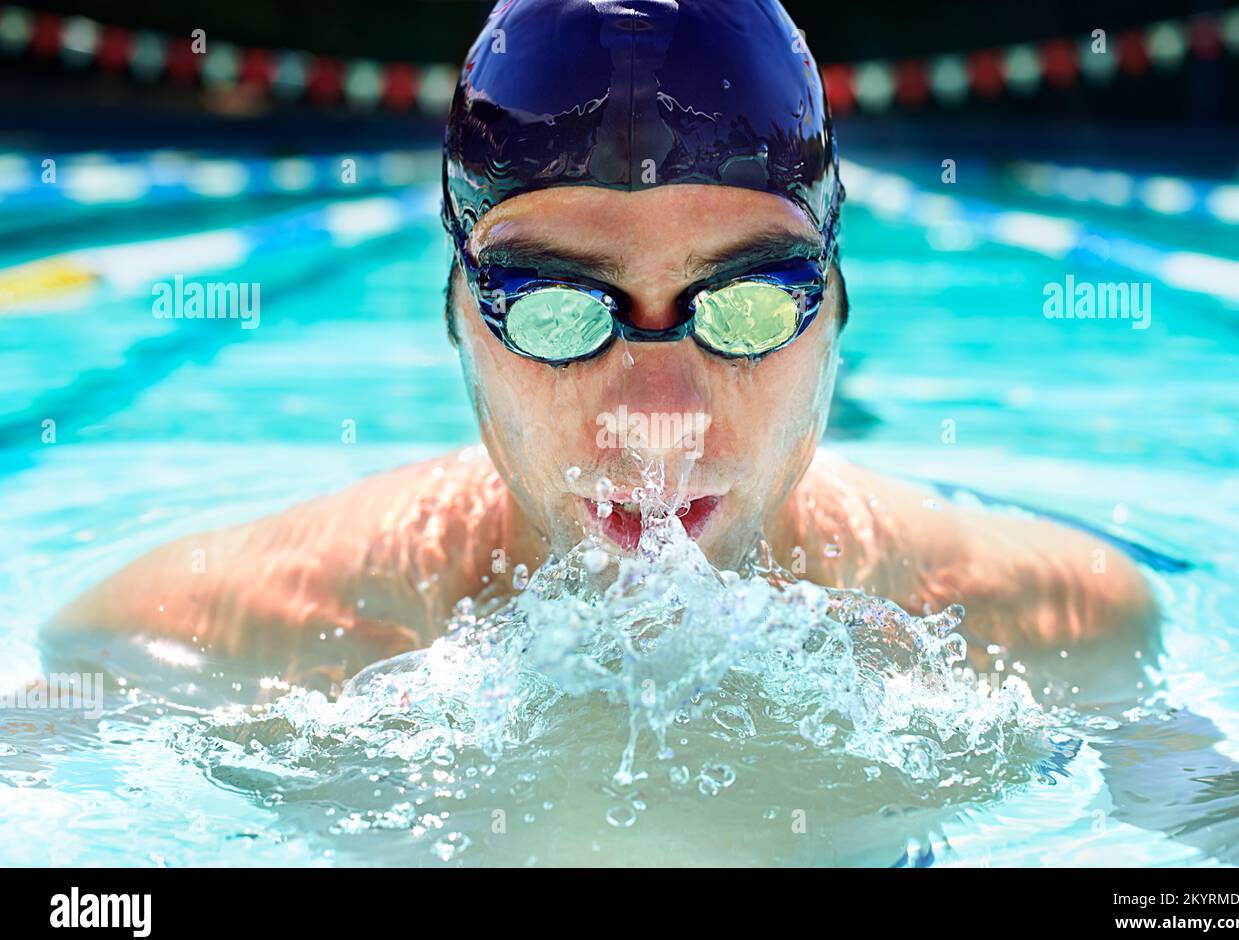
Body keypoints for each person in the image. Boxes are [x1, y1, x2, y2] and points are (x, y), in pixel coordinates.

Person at [48, 0, 1156, 690]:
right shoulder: (207, 638)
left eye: (748, 304)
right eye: (557, 308)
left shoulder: (1051, 625)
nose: (659, 412)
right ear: (455, 323)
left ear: (836, 320)